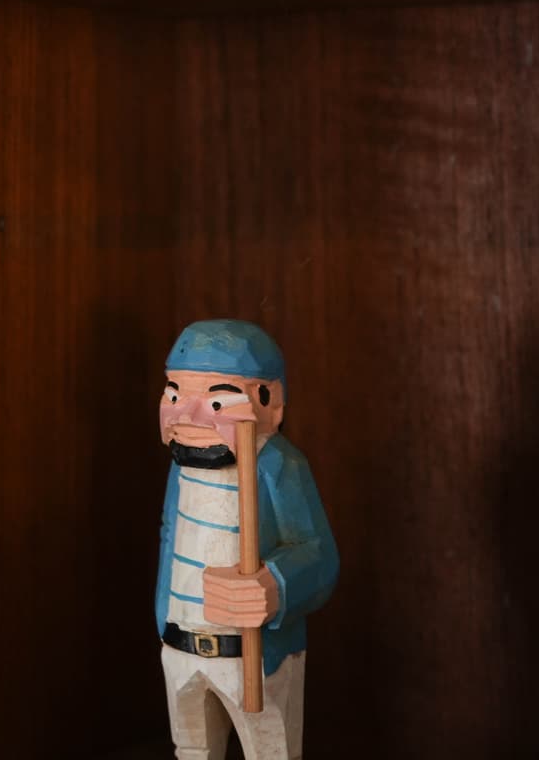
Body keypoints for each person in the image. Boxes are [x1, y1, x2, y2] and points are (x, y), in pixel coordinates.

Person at [156, 319, 337, 760]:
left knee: (268, 751)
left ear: (269, 402)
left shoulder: (279, 466)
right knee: (192, 748)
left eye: (216, 399)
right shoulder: (181, 469)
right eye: (175, 394)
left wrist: (273, 585)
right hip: (181, 646)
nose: (185, 414)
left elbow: (320, 556)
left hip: (255, 658)